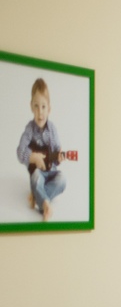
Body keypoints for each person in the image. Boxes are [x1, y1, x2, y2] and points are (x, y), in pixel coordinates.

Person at [15, 78, 65, 221]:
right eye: (36, 106)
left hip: (51, 173)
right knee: (36, 176)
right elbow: (20, 151)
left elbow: (57, 151)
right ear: (31, 106)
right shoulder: (30, 129)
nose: (40, 112)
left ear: (49, 108)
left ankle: (38, 196)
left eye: (43, 107)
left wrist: (60, 157)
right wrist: (34, 157)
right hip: (38, 174)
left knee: (62, 180)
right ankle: (46, 205)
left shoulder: (52, 129)